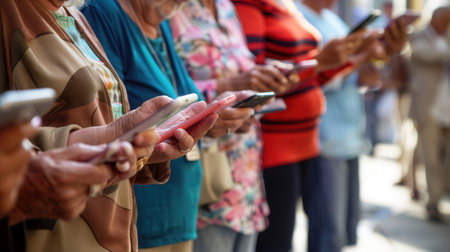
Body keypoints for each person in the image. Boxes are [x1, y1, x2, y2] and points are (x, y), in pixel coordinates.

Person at [0, 0, 214, 251]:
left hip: (114, 233)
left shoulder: (74, 16)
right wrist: (109, 136)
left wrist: (141, 146)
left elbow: (99, 120)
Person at [82, 0, 253, 251]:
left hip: (180, 208)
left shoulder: (158, 25)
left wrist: (212, 118)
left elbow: (183, 100)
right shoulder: (105, 13)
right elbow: (107, 115)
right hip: (142, 216)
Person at [169, 0, 290, 251]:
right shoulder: (171, 9)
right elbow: (166, 92)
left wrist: (261, 80)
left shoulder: (225, 7)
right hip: (208, 177)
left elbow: (240, 67)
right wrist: (233, 85)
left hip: (245, 176)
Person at [297, 0, 407, 251]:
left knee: (343, 232)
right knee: (329, 233)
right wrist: (362, 58)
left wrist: (369, 68)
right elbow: (309, 80)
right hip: (324, 139)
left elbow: (349, 74)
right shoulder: (300, 19)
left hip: (349, 134)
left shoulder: (333, 20)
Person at [409, 6, 450, 222]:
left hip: (447, 107)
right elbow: (422, 54)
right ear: (435, 19)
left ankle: (442, 194)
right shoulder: (418, 35)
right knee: (431, 157)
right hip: (429, 107)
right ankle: (433, 201)